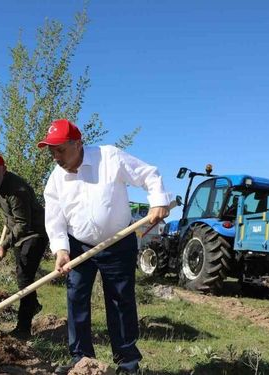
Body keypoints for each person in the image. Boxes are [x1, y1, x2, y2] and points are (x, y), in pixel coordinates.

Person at [39, 119, 171, 375]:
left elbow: (148, 174)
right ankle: (81, 360)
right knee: (76, 299)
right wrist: (61, 250)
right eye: (51, 150)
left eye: (60, 149)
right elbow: (54, 218)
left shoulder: (110, 157)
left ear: (77, 144)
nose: (55, 156)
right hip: (78, 246)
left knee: (120, 300)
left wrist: (157, 201)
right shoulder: (55, 179)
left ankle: (127, 363)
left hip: (118, 242)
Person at [0, 152, 47, 339]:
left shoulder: (17, 191)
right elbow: (10, 216)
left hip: (34, 233)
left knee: (25, 279)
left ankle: (23, 328)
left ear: (3, 169)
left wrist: (5, 245)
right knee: (22, 276)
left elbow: (23, 224)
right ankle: (32, 305)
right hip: (18, 233)